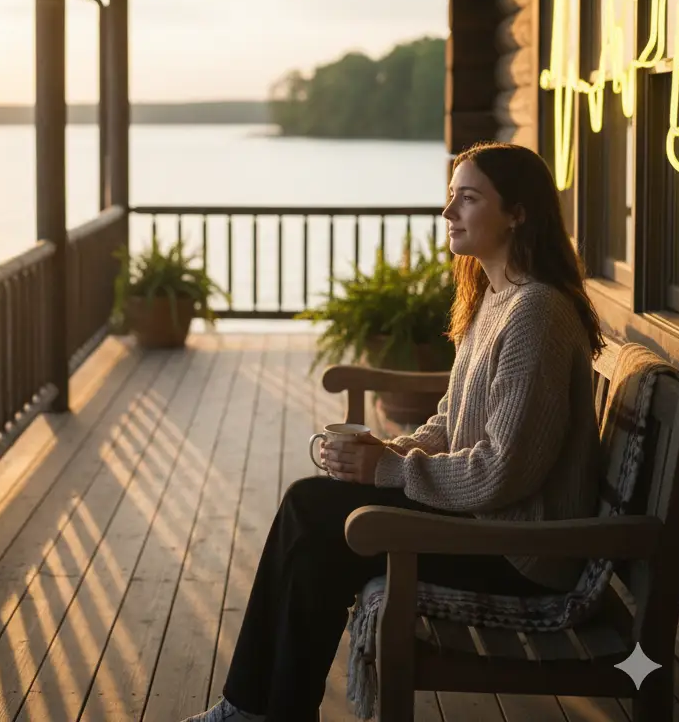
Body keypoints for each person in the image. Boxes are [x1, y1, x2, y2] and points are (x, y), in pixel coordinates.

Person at [181, 141, 604, 722]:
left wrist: (388, 470)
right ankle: (254, 709)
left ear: (518, 212)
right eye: (450, 196)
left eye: (468, 198)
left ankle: (255, 711)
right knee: (314, 511)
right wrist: (387, 451)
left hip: (519, 553)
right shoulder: (495, 300)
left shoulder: (537, 314)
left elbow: (503, 471)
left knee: (317, 512)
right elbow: (449, 422)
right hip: (488, 527)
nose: (448, 212)